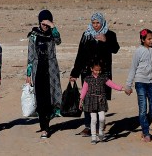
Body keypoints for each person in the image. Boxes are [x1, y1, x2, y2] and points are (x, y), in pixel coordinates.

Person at [70, 12, 120, 137]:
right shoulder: (86, 35)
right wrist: (74, 73)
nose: (96, 25)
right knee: (87, 99)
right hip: (87, 73)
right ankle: (88, 126)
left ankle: (98, 127)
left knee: (100, 98)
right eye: (93, 23)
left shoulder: (110, 34)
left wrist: (106, 40)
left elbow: (115, 49)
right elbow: (80, 55)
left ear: (102, 22)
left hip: (102, 73)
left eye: (98, 23)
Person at [124, 29, 152, 143]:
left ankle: (145, 127)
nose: (151, 41)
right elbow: (133, 68)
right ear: (142, 40)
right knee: (143, 109)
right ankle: (146, 132)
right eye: (149, 39)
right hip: (140, 83)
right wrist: (128, 85)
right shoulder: (138, 51)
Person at [26, 9, 62, 139]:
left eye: (47, 23)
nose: (45, 26)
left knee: (50, 98)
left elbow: (58, 40)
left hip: (51, 70)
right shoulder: (33, 35)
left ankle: (47, 121)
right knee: (40, 99)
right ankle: (44, 128)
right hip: (38, 70)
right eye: (43, 23)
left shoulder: (52, 34)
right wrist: (28, 74)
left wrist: (53, 26)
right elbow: (30, 55)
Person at [78, 61, 127, 144]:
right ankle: (94, 137)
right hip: (91, 101)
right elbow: (84, 90)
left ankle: (100, 131)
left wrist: (123, 89)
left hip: (101, 101)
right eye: (96, 70)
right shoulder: (87, 79)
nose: (98, 72)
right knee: (93, 119)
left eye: (99, 70)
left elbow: (112, 85)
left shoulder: (104, 78)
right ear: (91, 69)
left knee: (102, 118)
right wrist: (81, 100)